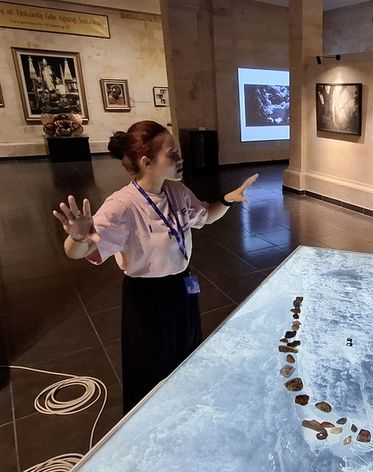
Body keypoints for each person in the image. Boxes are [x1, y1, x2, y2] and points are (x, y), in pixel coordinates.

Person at [52, 120, 259, 412]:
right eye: (172, 153)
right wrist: (76, 237)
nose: (180, 158)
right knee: (151, 370)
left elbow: (204, 216)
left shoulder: (176, 191)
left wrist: (228, 200)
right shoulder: (122, 205)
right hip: (147, 299)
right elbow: (81, 250)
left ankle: (187, 413)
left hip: (181, 287)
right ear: (147, 162)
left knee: (187, 354)